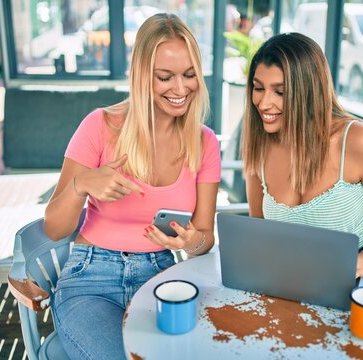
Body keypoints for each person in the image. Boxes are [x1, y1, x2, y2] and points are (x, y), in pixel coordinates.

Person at [44, 14, 221, 359]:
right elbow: (54, 228)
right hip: (90, 278)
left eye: (189, 76)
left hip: (160, 275)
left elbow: (204, 237)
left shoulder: (204, 142)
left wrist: (190, 241)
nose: (181, 89)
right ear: (142, 77)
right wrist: (81, 184)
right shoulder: (100, 126)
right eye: (165, 77)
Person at [241, 32, 363, 295]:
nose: (264, 102)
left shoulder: (357, 141)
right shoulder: (260, 142)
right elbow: (259, 224)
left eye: (280, 92)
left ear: (309, 92)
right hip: (309, 275)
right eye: (258, 88)